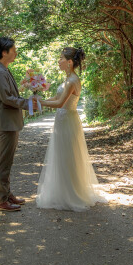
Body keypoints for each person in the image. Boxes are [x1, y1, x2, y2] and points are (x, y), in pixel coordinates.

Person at [36, 47, 106, 211]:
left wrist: (40, 103)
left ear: (69, 62)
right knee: (61, 155)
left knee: (68, 156)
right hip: (62, 120)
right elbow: (56, 98)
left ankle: (70, 194)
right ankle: (61, 192)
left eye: (61, 58)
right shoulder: (68, 79)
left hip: (67, 120)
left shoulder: (73, 80)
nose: (58, 61)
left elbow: (60, 103)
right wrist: (41, 99)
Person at [0, 37, 39, 212]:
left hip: (9, 122)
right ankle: (1, 201)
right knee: (4, 162)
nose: (16, 52)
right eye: (13, 50)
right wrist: (27, 103)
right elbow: (7, 99)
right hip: (5, 123)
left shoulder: (4, 70)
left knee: (8, 161)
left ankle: (7, 193)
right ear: (4, 52)